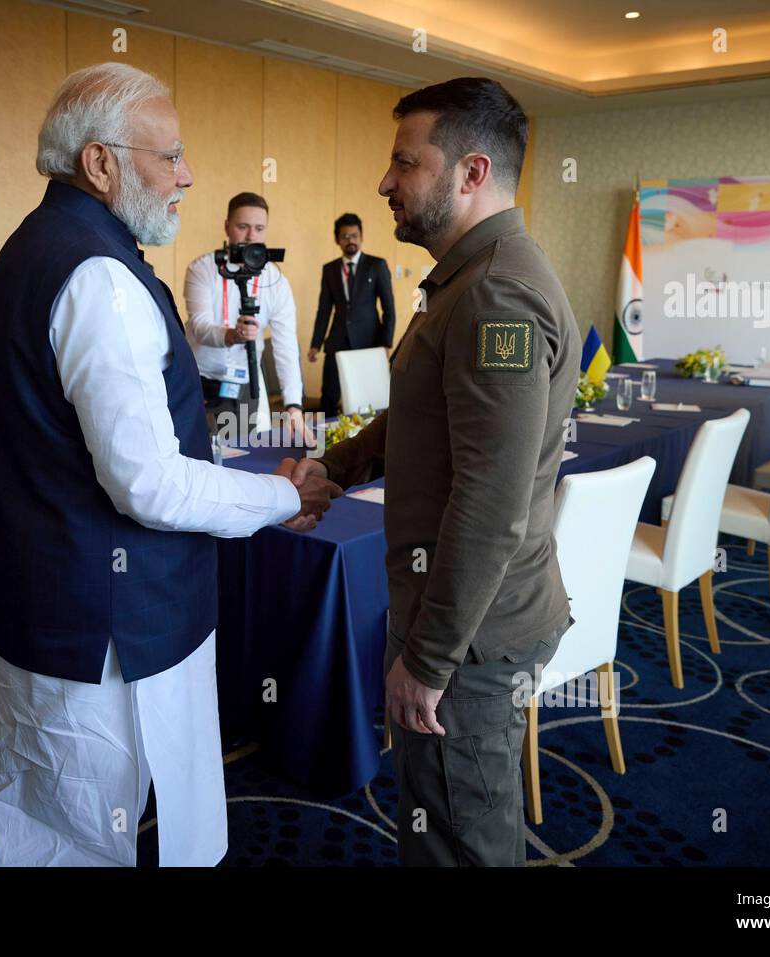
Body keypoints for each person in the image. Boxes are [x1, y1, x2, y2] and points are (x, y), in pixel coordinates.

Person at [0, 62, 340, 868]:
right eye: (169, 155)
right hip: (103, 631)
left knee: (27, 820)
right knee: (72, 840)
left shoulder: (37, 245)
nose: (187, 174)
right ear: (100, 163)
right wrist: (279, 495)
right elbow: (149, 483)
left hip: (45, 602)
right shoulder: (98, 274)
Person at [291, 76, 579, 866]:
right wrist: (334, 467)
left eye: (404, 163)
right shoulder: (465, 279)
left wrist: (429, 659)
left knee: (462, 840)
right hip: (464, 624)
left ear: (471, 173)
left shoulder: (498, 297)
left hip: (472, 643)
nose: (384, 182)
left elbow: (493, 502)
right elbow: (423, 416)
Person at [183, 192, 308, 441]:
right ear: (227, 226)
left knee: (243, 451)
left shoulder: (276, 280)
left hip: (246, 380)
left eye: (259, 228)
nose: (251, 236)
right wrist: (231, 335)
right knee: (199, 455)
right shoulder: (203, 269)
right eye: (243, 227)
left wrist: (293, 404)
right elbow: (199, 326)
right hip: (200, 378)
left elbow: (286, 346)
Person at [309, 213, 396, 416]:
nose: (351, 240)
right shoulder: (329, 269)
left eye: (355, 235)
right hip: (337, 341)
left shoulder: (376, 265)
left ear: (361, 237)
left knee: (367, 398)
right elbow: (324, 310)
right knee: (329, 396)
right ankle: (325, 444)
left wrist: (386, 343)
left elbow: (389, 309)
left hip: (369, 343)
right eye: (345, 236)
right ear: (337, 240)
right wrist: (316, 344)